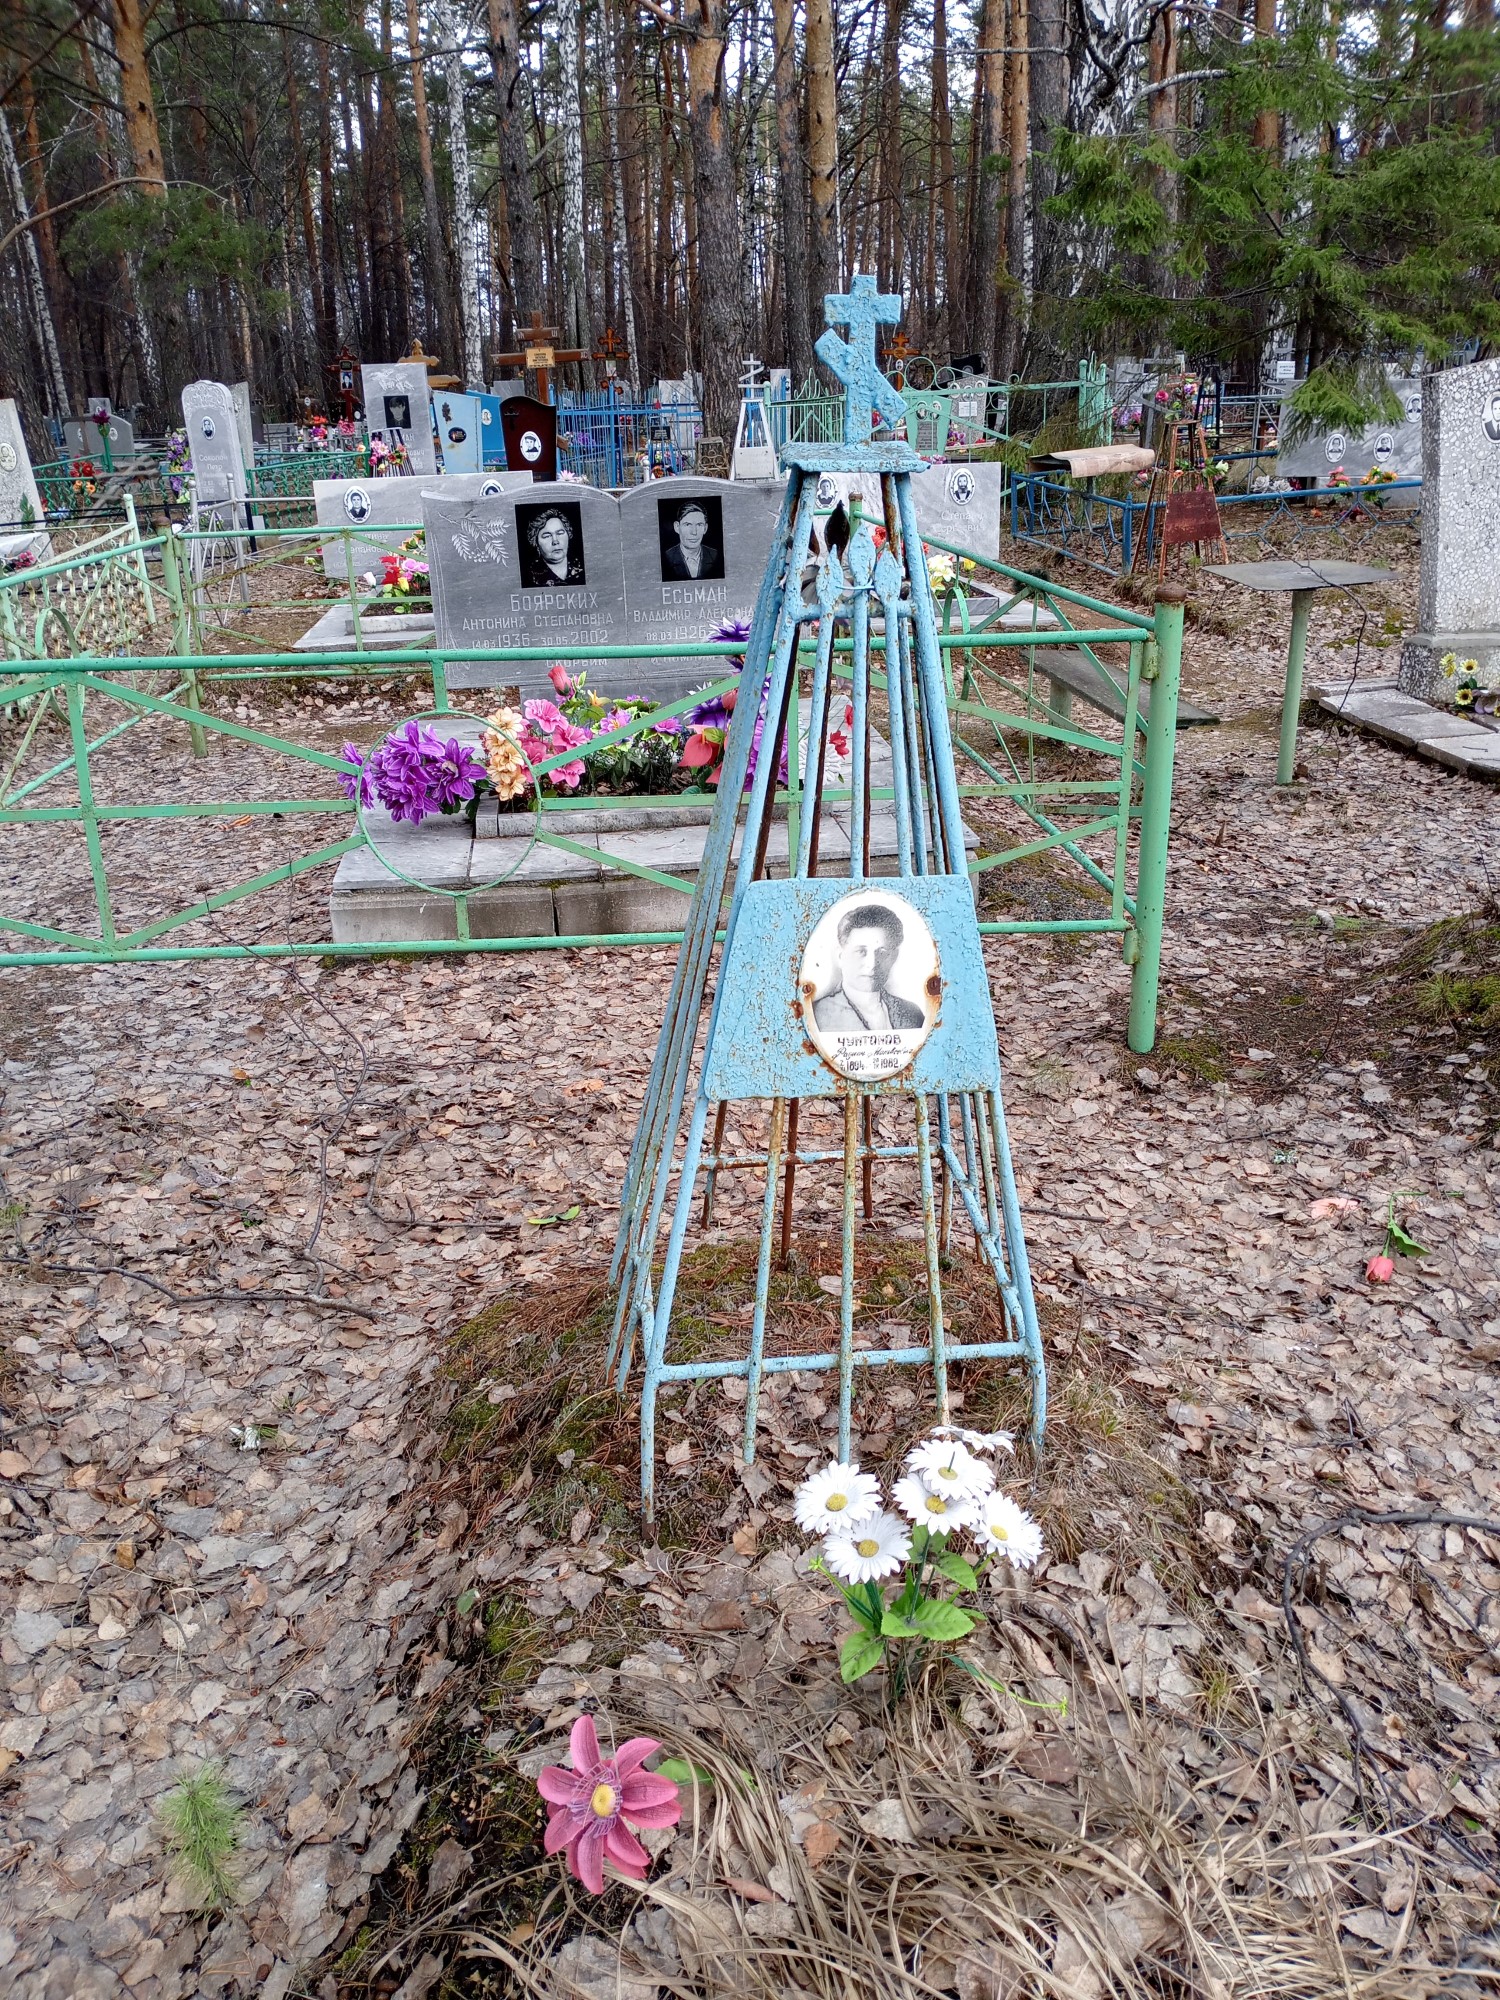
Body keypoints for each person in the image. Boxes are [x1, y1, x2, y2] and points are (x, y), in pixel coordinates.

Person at [812, 902, 925, 1032]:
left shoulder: (912, 1015)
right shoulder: (816, 1014)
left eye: (882, 953)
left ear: (894, 957)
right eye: (861, 952)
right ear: (840, 956)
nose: (872, 964)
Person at [522, 506, 585, 586]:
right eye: (547, 536)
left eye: (560, 533)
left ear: (568, 535)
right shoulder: (528, 578)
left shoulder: (583, 568)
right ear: (536, 542)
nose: (555, 541)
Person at [661, 500, 722, 580]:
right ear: (677, 527)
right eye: (687, 524)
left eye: (699, 525)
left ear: (705, 528)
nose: (694, 532)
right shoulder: (666, 558)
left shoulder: (716, 556)